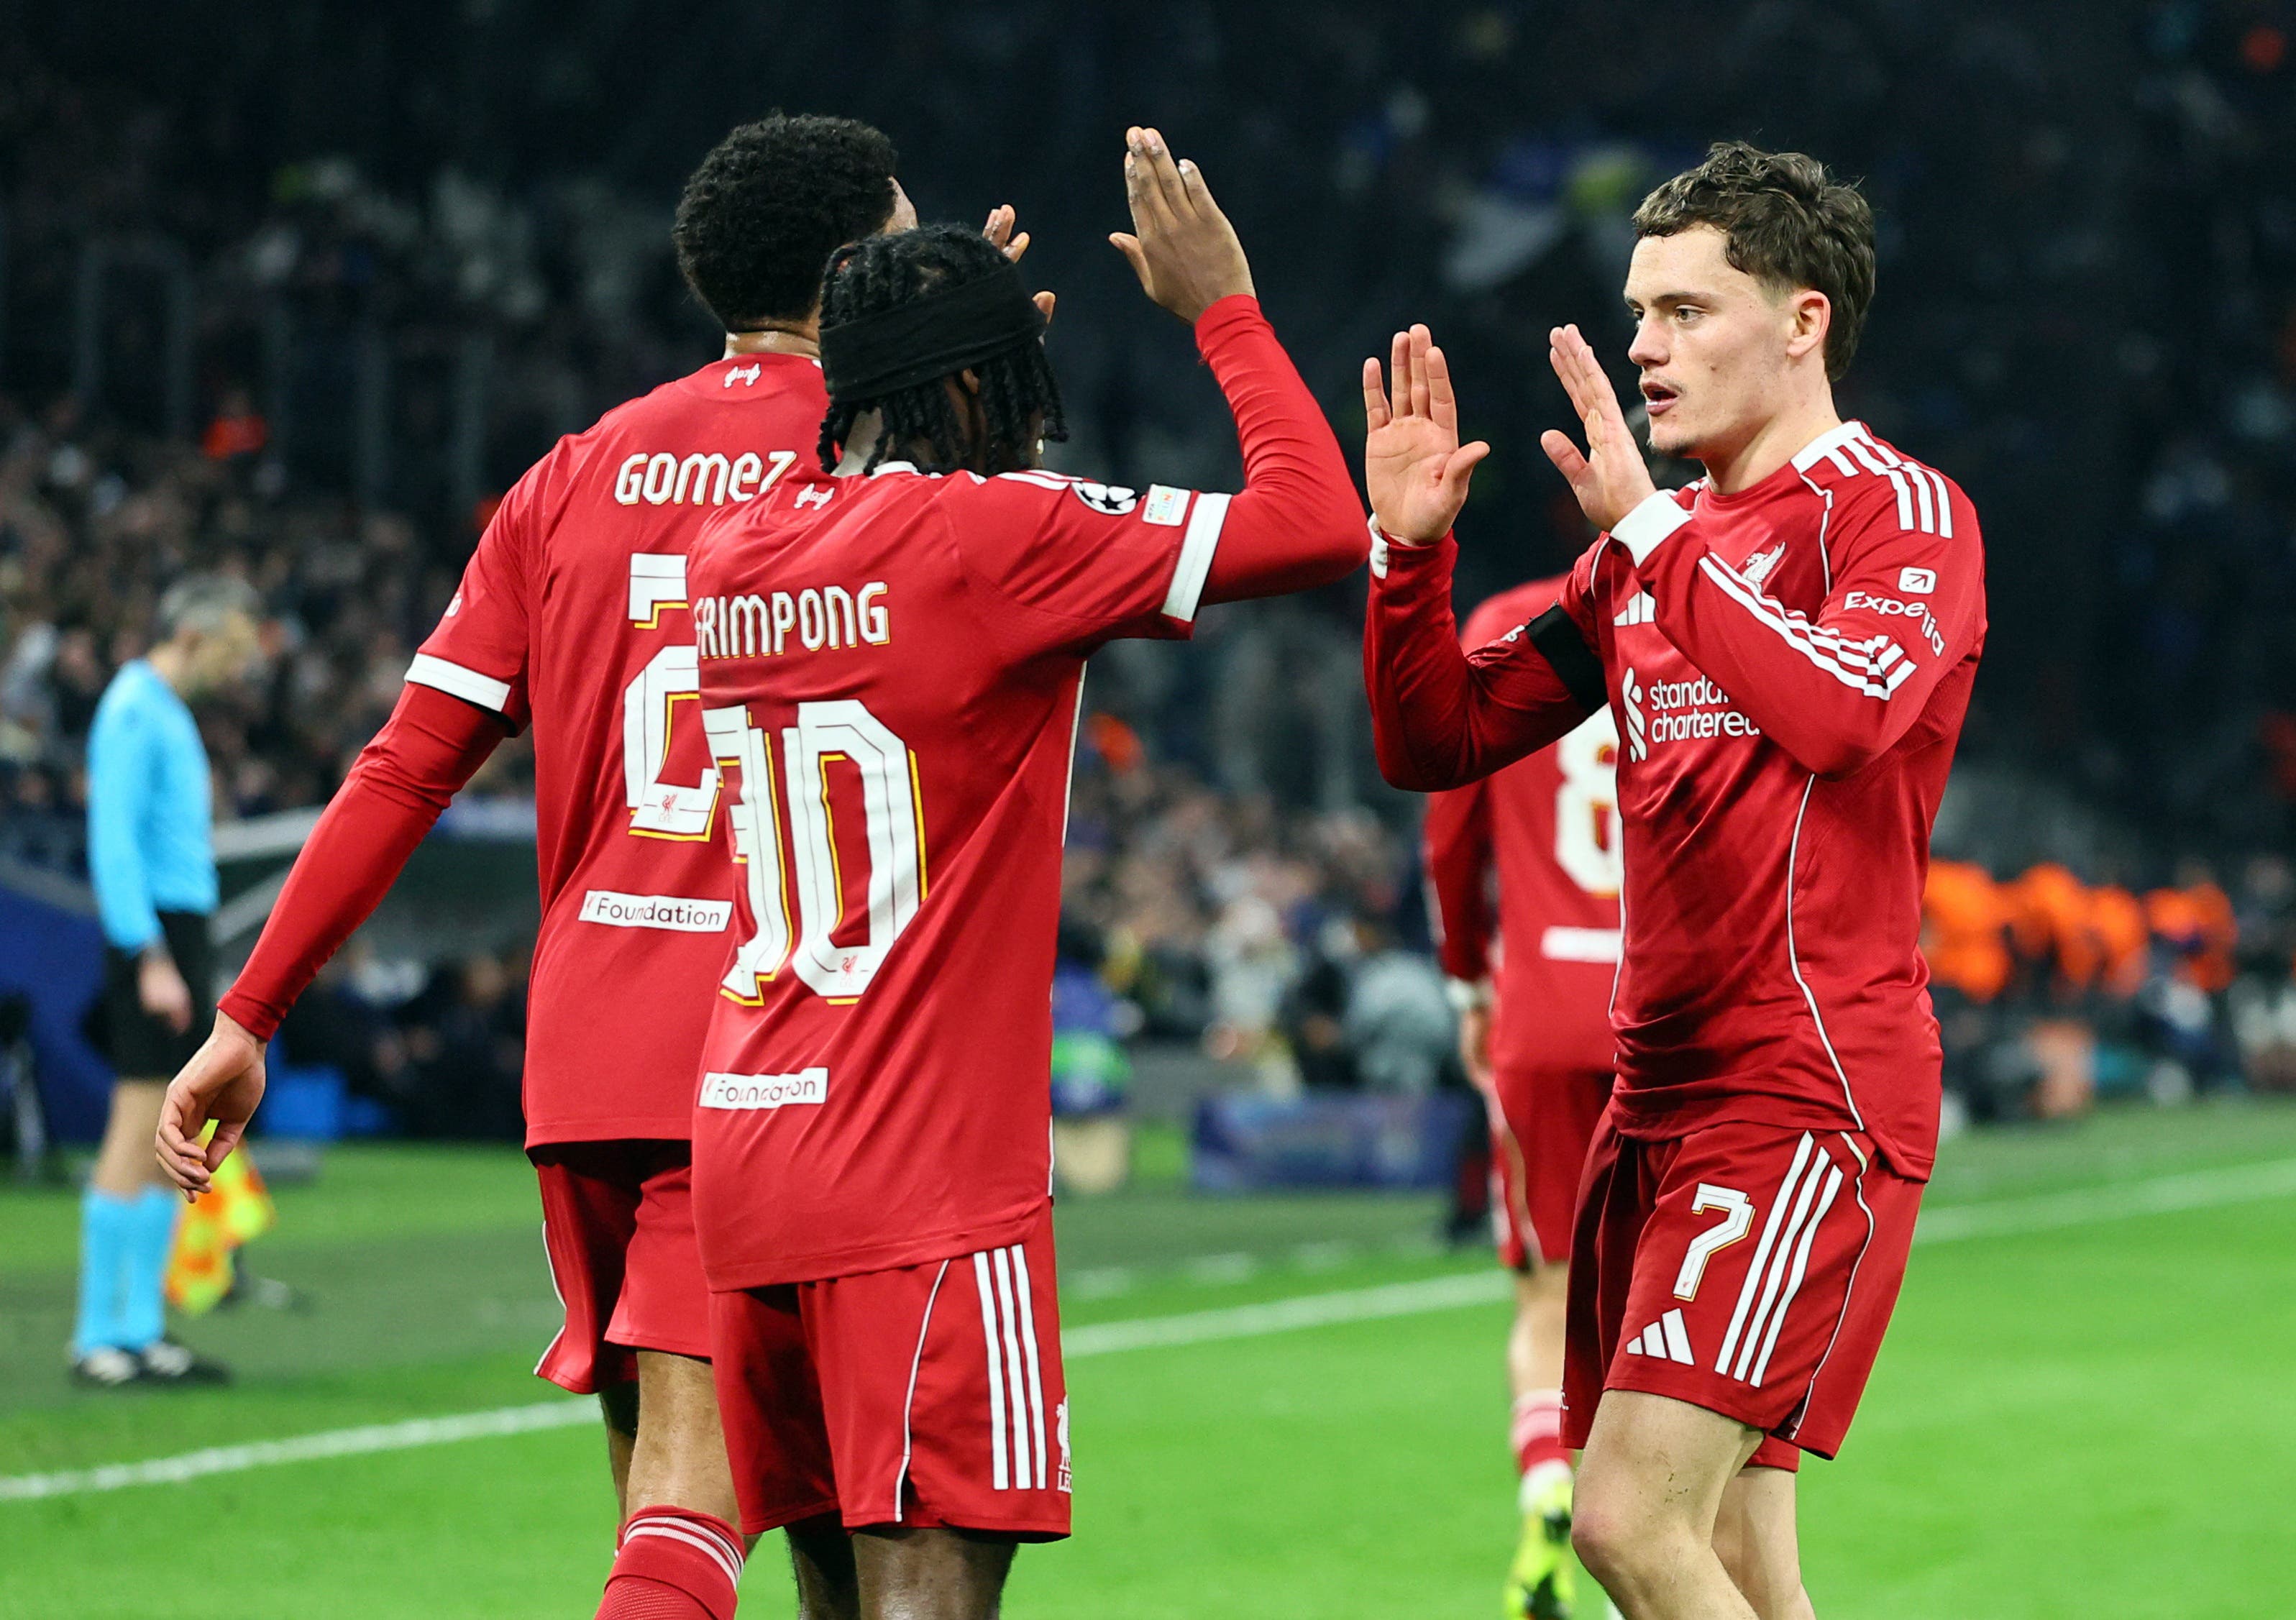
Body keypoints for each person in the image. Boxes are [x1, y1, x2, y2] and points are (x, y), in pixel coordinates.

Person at [156, 114, 1028, 1620]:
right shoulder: (881, 466)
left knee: (780, 1513)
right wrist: (969, 383)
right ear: (854, 271)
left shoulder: (573, 473)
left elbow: (406, 761)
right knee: (695, 1512)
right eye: (905, 242)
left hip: (586, 1056)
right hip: (776, 1047)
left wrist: (253, 1008)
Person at [687, 127, 1363, 1620]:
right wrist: (1224, 312)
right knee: (930, 1592)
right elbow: (1318, 521)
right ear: (976, 393)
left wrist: (928, 333)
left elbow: (853, 467)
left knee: (829, 1596)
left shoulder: (734, 550)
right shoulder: (994, 537)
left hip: (747, 1152)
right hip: (919, 1175)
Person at [1359, 141, 1986, 1619]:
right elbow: (1438, 738)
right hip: (1655, 1101)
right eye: (1639, 311)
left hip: (1801, 1085)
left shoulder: (1897, 512)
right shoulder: (1648, 556)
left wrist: (1648, 529)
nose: (1644, 344)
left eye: (1686, 311)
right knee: (1748, 1564)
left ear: (1803, 319)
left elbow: (1842, 714)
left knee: (1628, 1519)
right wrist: (1404, 558)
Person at [1422, 575, 1620, 1619]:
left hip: (1542, 1007)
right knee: (1671, 1307)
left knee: (1549, 1296)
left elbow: (1451, 829)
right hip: (1672, 1009)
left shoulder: (1506, 625)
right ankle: (1659, 1536)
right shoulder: (1705, 606)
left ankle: (1548, 1487)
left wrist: (1468, 983)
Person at [76, 573, 260, 1388]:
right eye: (231, 647)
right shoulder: (132, 708)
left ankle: (139, 1327)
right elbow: (112, 840)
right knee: (137, 1120)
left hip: (178, 929)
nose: (238, 666)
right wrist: (147, 954)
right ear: (192, 634)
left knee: (169, 1131)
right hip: (151, 932)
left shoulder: (167, 711)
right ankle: (96, 1334)